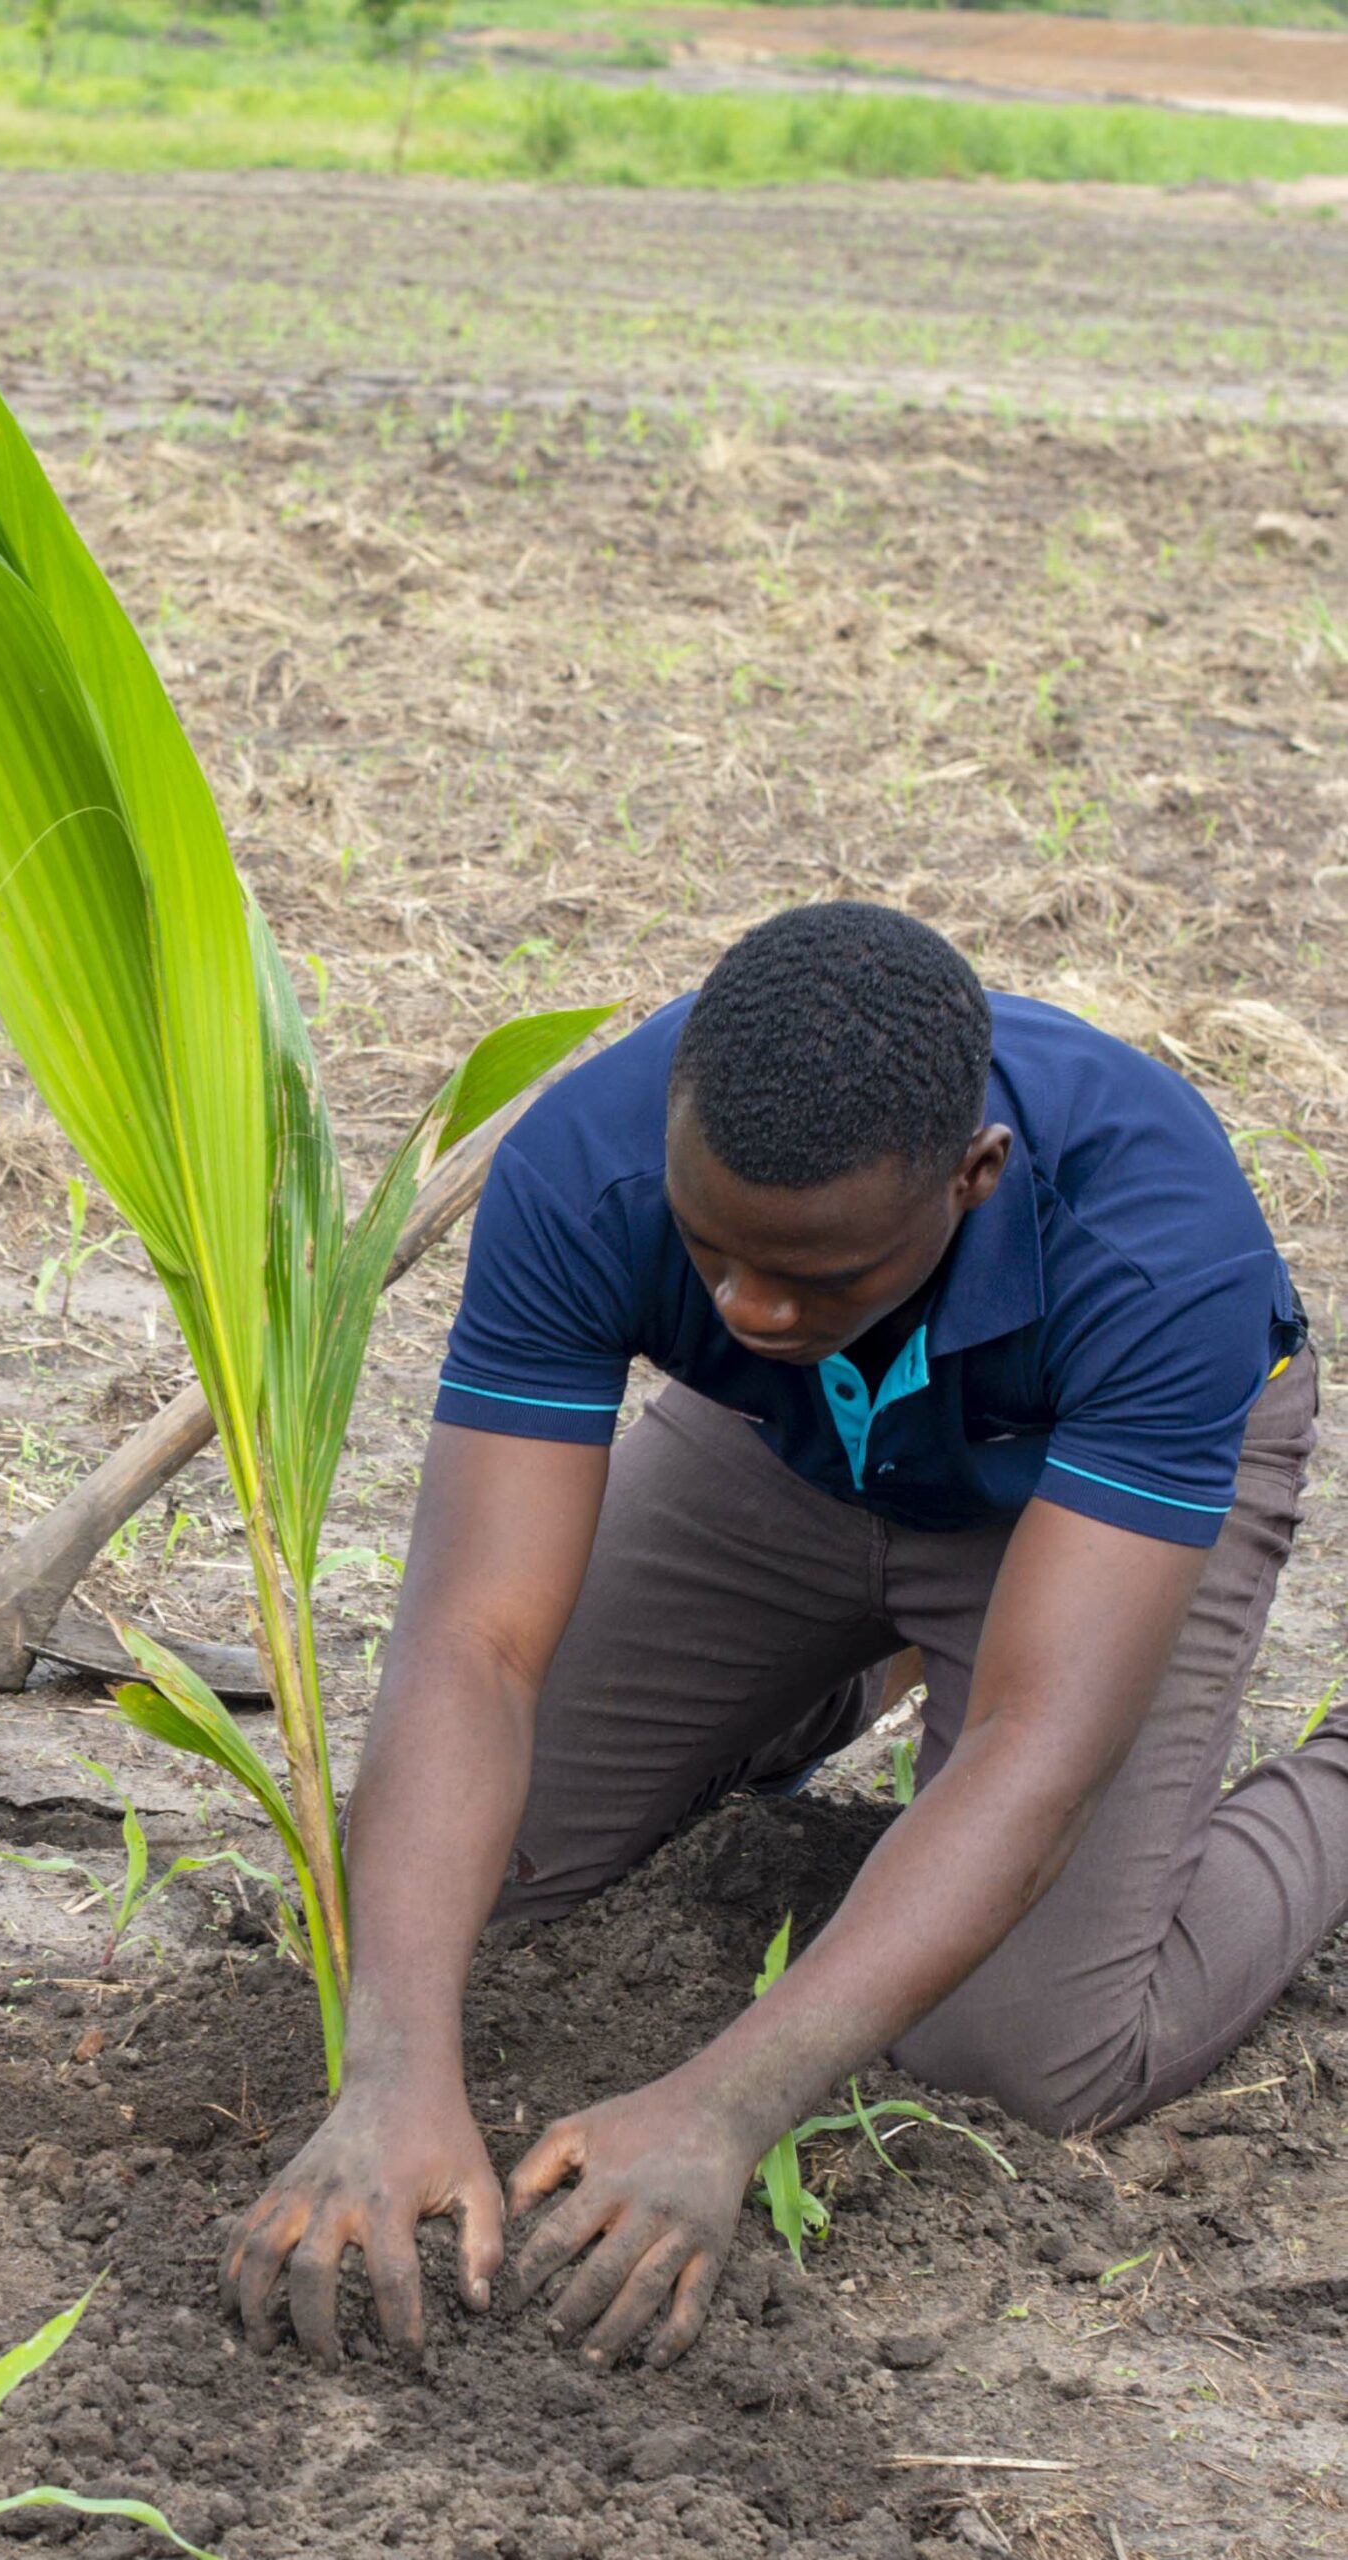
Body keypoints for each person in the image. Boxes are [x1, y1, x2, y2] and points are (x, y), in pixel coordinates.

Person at [220, 901, 1345, 2374]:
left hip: (1071, 1510)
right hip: (792, 1450)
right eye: (711, 1254)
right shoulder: (596, 1158)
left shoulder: (1155, 1249)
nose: (747, 1302)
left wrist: (721, 2109)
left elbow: (1033, 1749)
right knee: (455, 1882)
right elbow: (476, 1638)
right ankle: (850, 1664)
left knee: (1021, 2052)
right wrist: (393, 2068)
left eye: (816, 1273)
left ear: (973, 1178)